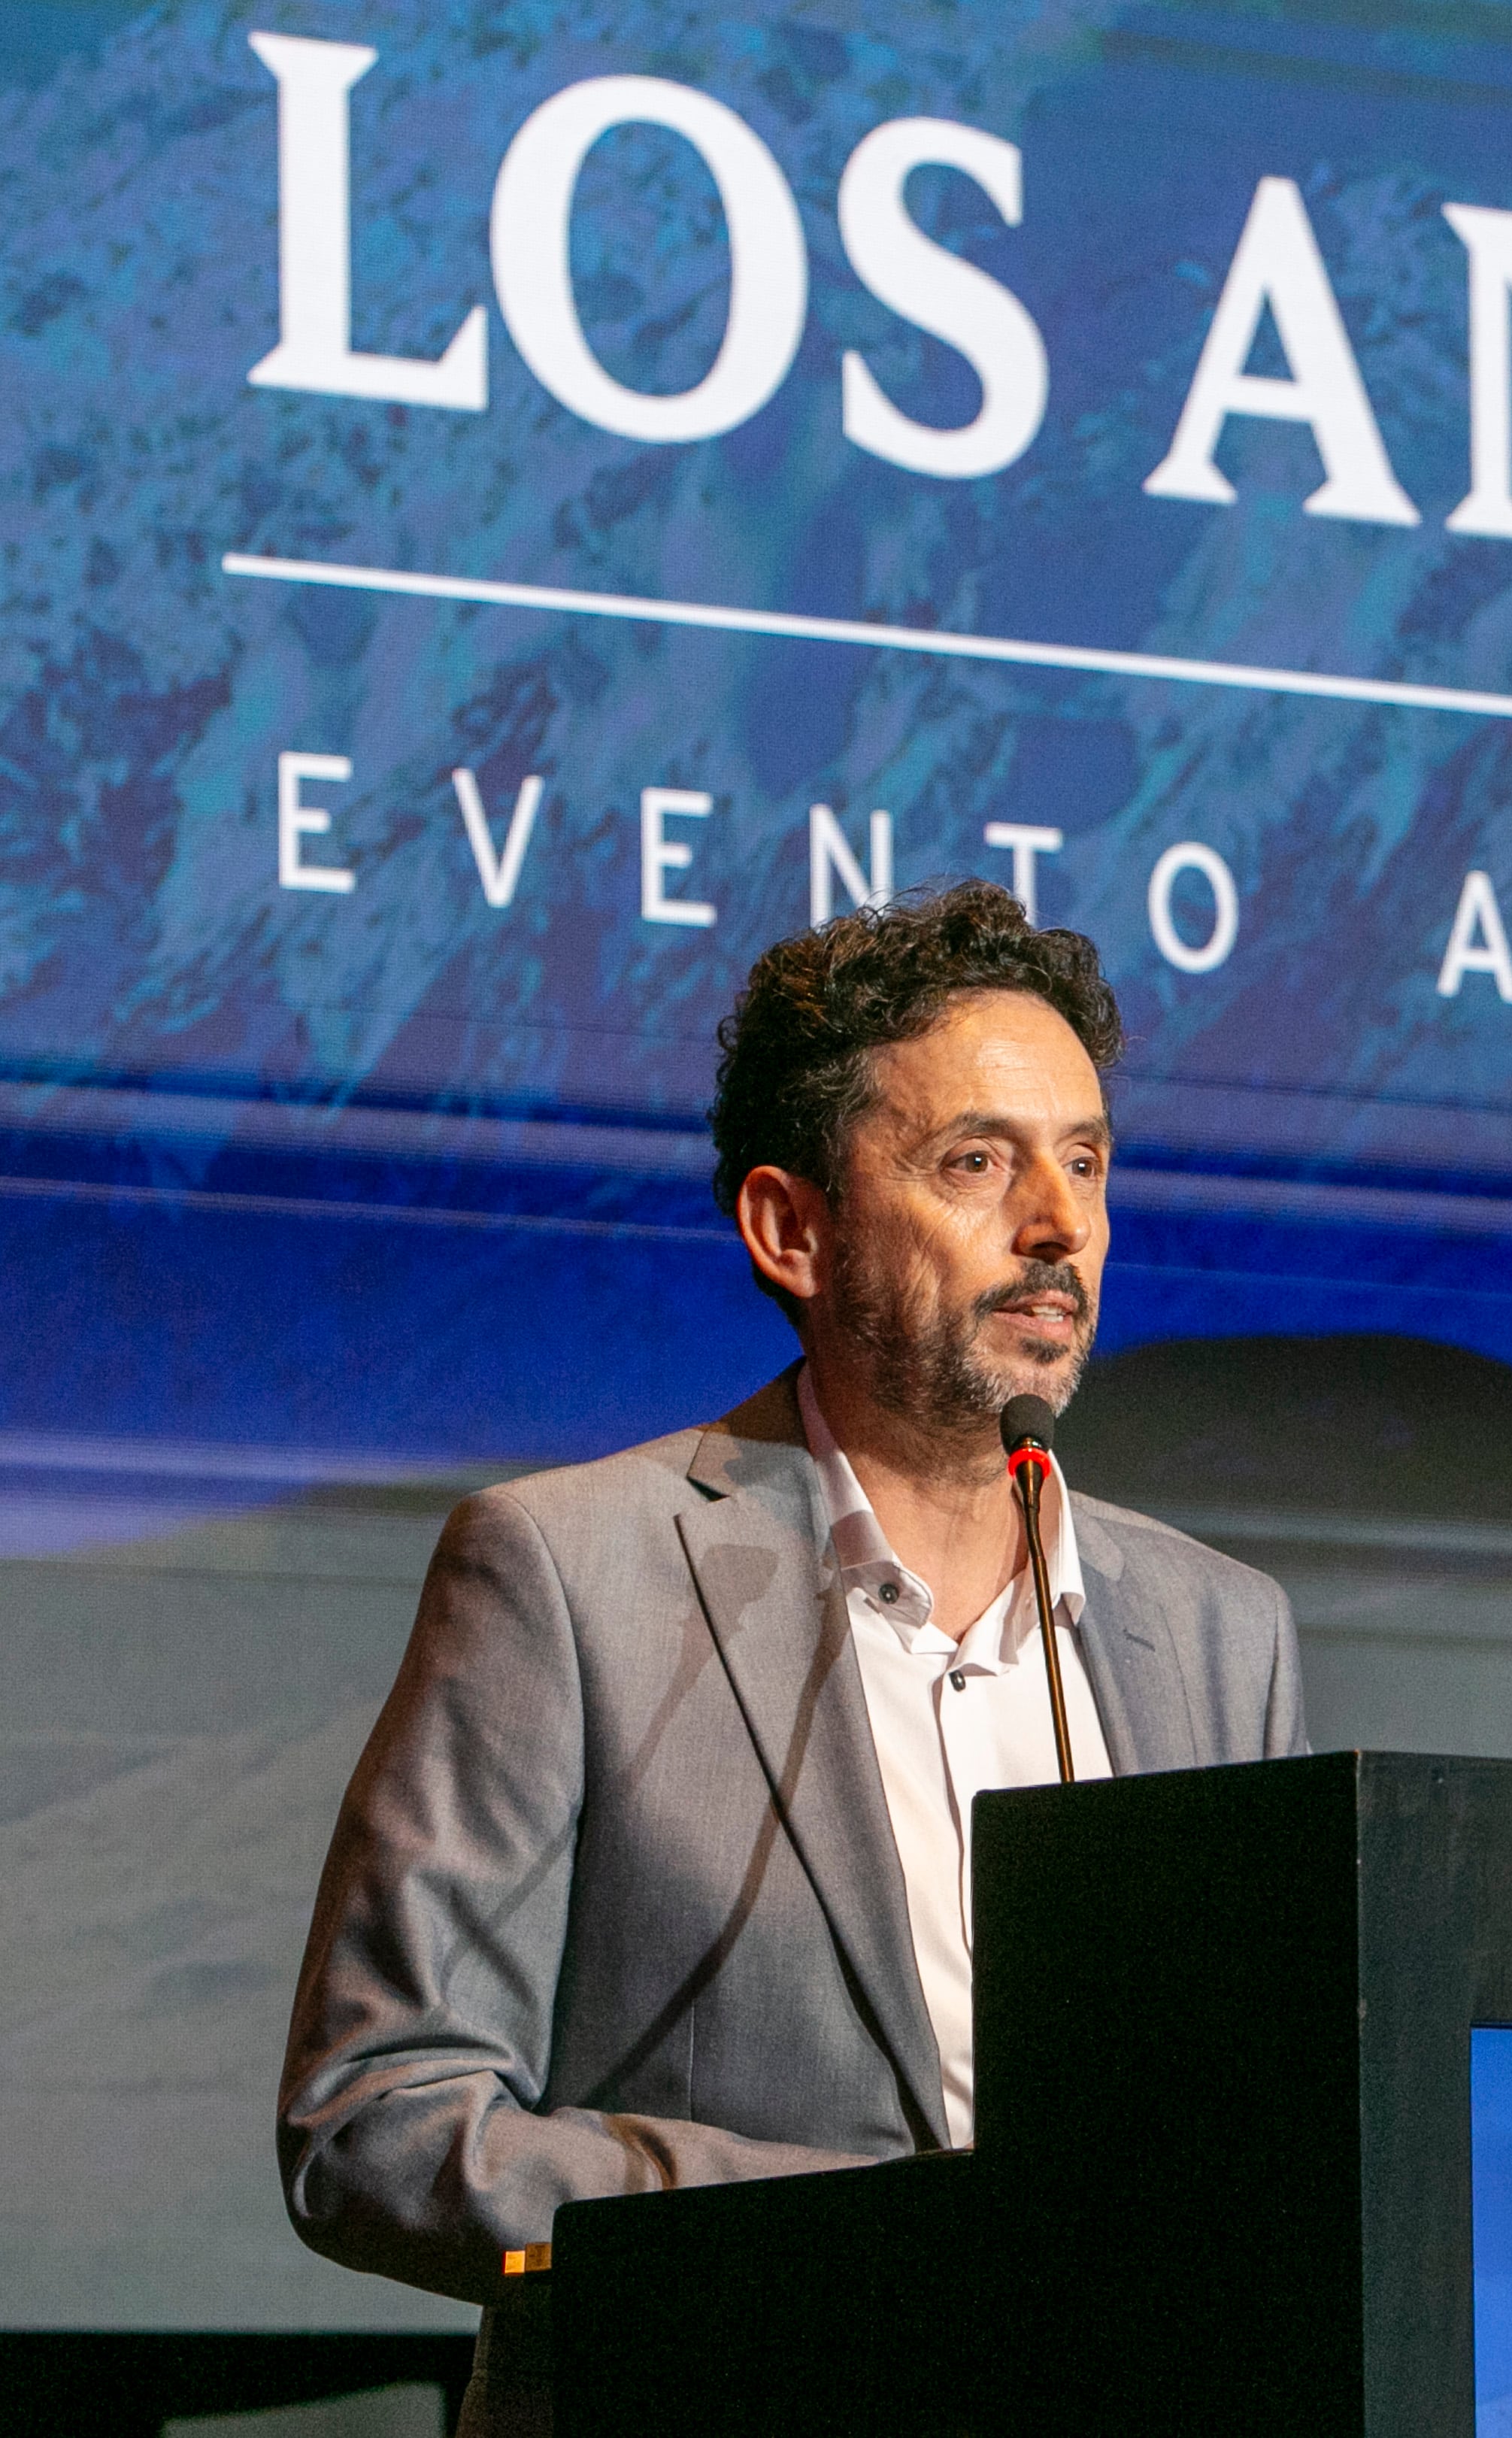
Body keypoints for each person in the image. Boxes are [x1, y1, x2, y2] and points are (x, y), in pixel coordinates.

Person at [277, 881, 1304, 2435]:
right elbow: (381, 2118)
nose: (1059, 1227)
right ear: (791, 1228)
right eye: (979, 1162)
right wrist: (859, 2234)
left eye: (1085, 1162)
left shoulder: (1223, 1633)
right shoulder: (567, 1572)